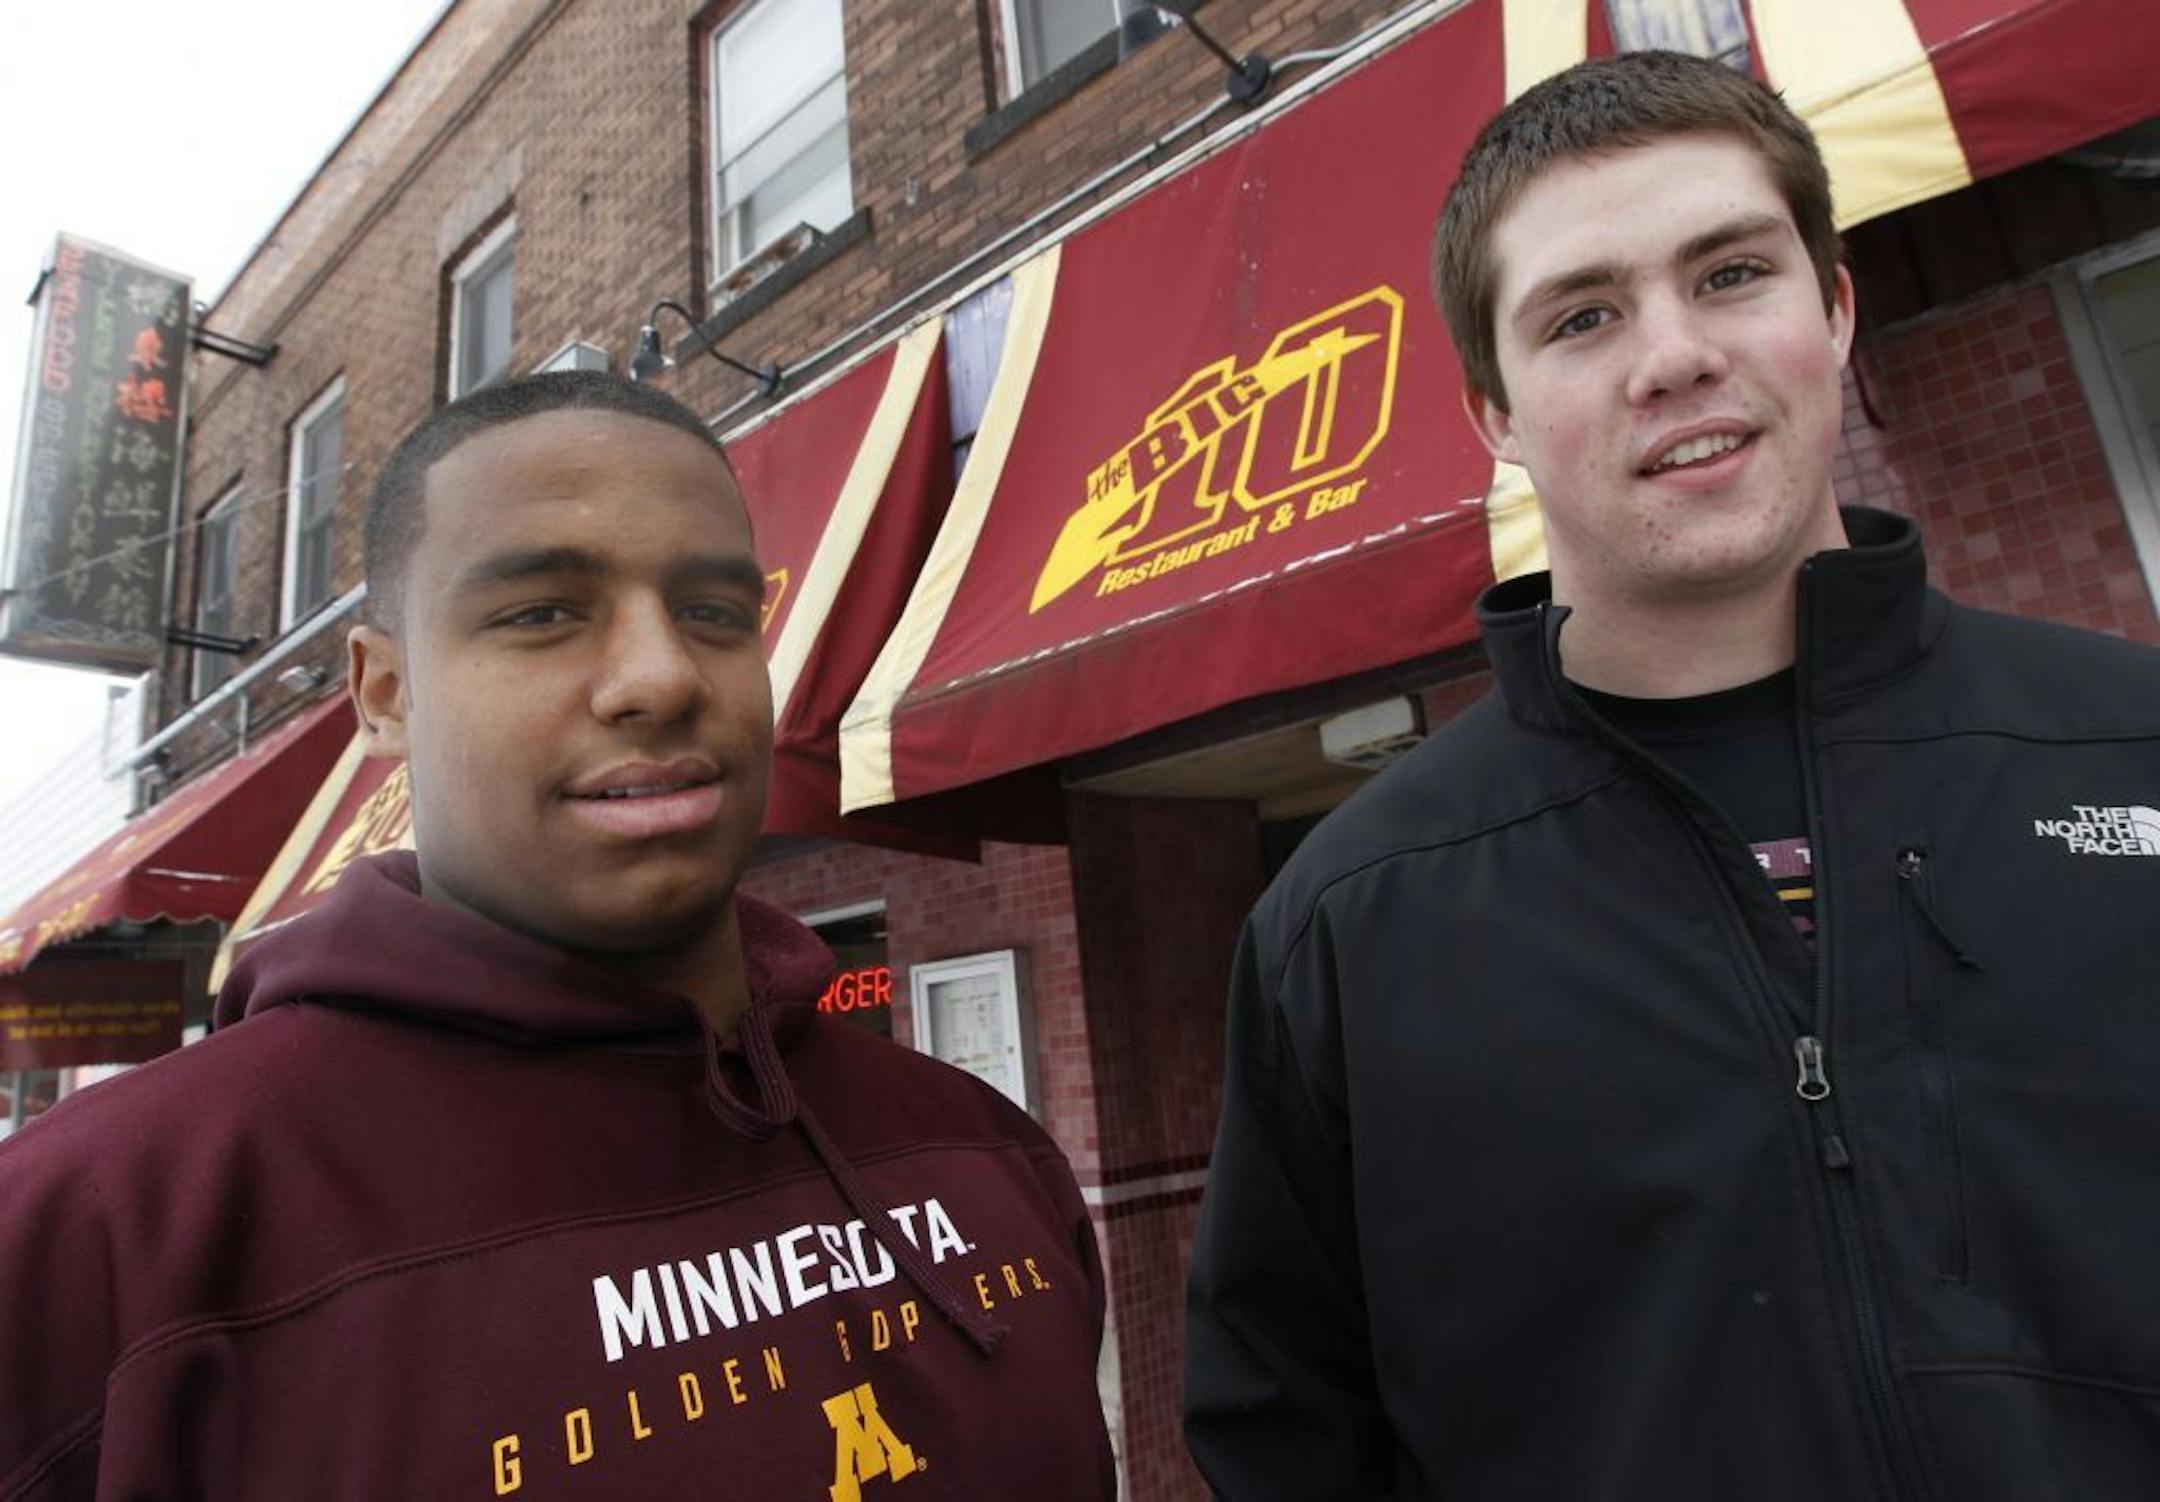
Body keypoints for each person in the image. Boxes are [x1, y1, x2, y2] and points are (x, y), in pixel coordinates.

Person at [1185, 49, 2160, 1500]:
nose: (1673, 356)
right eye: (1582, 315)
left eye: (1730, 274)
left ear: (1832, 310)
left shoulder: (2130, 750)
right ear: (1497, 417)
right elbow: (1288, 1432)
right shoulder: (1351, 918)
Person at [0, 371, 1116, 1500]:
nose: (664, 676)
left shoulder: (987, 1149)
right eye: (541, 612)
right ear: (385, 693)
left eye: (717, 613)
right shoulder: (84, 1243)